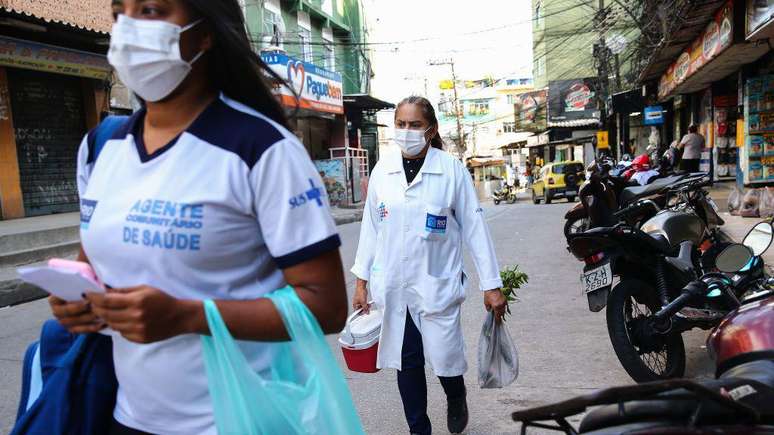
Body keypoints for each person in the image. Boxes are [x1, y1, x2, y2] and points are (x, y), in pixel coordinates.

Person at [48, 1, 348, 434]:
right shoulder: (100, 147)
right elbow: (91, 265)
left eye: (151, 10)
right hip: (125, 417)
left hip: (235, 420)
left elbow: (326, 306)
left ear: (205, 33)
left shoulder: (262, 149)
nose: (130, 28)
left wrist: (188, 315)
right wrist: (77, 300)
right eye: (120, 12)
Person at [351, 96, 507, 435]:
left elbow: (475, 228)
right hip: (393, 285)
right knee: (406, 361)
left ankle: (456, 395)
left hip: (436, 282)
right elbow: (370, 228)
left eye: (414, 125)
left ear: (431, 129)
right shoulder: (383, 169)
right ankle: (418, 429)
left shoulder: (451, 170)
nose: (406, 131)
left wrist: (491, 285)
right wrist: (361, 280)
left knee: (445, 359)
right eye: (401, 124)